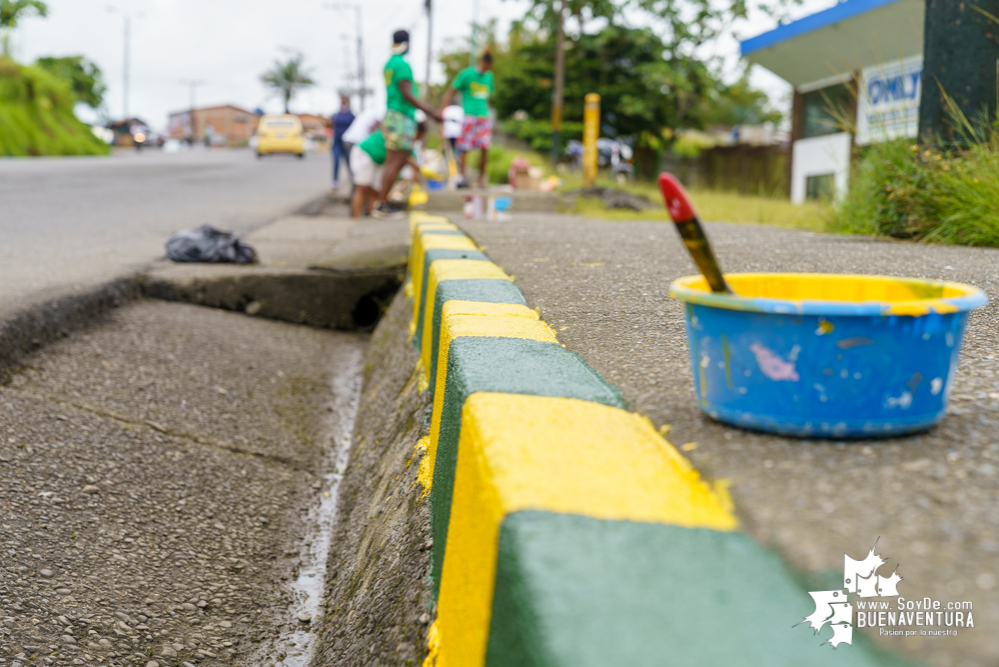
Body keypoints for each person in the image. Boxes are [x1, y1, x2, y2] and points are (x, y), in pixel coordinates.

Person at [375, 29, 442, 218]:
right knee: (395, 162)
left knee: (396, 161)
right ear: (408, 43)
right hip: (401, 116)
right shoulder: (402, 65)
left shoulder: (389, 64)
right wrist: (431, 112)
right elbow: (407, 94)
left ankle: (382, 203)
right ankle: (382, 204)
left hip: (392, 115)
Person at [349, 119, 425, 218]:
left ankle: (373, 216)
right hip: (365, 154)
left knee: (376, 191)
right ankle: (356, 218)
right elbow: (407, 159)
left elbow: (409, 159)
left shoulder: (407, 140)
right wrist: (415, 170)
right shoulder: (401, 135)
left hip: (379, 161)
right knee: (362, 188)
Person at [442, 50, 494, 188]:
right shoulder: (467, 74)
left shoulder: (489, 77)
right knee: (464, 148)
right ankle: (462, 179)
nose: (485, 69)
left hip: (484, 117)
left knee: (485, 148)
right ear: (481, 62)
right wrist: (444, 111)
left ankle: (481, 181)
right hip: (469, 116)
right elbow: (451, 91)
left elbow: (488, 98)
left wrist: (489, 116)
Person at [331, 96, 355, 191]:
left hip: (347, 143)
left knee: (349, 163)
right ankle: (335, 182)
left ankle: (353, 181)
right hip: (337, 142)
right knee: (336, 162)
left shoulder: (351, 116)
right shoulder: (336, 115)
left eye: (344, 101)